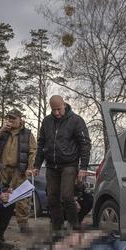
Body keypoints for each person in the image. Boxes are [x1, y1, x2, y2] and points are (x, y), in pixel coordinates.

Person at [33, 96, 91, 232]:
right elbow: (41, 143)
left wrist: (83, 167)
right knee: (52, 197)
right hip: (51, 165)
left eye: (59, 109)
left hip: (69, 164)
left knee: (67, 196)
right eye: (54, 110)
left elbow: (85, 144)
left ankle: (74, 226)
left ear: (64, 105)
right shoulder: (46, 121)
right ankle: (57, 229)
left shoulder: (76, 120)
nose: (57, 113)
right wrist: (36, 165)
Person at [0, 109, 37, 233]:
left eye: (13, 118)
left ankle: (23, 225)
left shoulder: (28, 134)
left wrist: (30, 168)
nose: (11, 121)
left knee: (23, 198)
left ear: (20, 119)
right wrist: (1, 130)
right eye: (9, 118)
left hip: (19, 170)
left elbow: (33, 152)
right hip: (2, 169)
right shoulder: (2, 131)